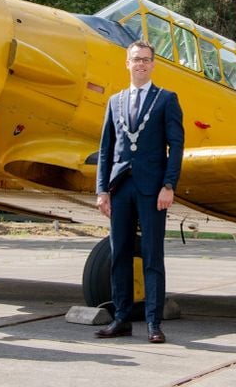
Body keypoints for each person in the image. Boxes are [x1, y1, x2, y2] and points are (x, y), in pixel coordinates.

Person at [95, 40, 185, 344]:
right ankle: (120, 317)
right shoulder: (115, 101)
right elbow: (106, 149)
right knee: (119, 252)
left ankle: (152, 321)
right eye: (136, 60)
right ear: (127, 63)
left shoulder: (166, 99)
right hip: (120, 187)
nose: (141, 65)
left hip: (152, 189)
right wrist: (102, 190)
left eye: (146, 60)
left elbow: (176, 147)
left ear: (153, 64)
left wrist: (169, 185)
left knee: (151, 256)